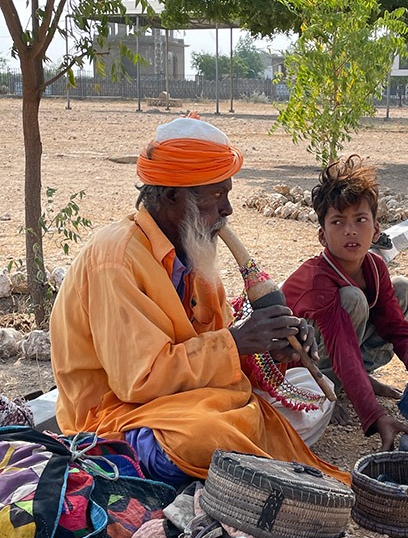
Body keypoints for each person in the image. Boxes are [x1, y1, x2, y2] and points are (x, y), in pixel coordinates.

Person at [49, 117, 348, 487]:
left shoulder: (193, 250)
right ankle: (221, 455)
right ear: (173, 195)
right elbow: (138, 381)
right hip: (121, 417)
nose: (228, 210)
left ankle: (238, 453)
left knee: (315, 395)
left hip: (191, 400)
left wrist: (273, 350)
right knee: (207, 437)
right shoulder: (118, 258)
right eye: (217, 195)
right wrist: (238, 341)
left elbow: (217, 353)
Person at [283, 156, 408, 451]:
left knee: (403, 287)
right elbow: (342, 349)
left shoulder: (375, 267)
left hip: (340, 350)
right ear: (322, 235)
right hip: (293, 365)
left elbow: (395, 326)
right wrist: (374, 415)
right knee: (352, 299)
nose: (350, 231)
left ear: (376, 229)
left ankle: (357, 380)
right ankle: (326, 390)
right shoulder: (320, 278)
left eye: (360, 220)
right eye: (338, 222)